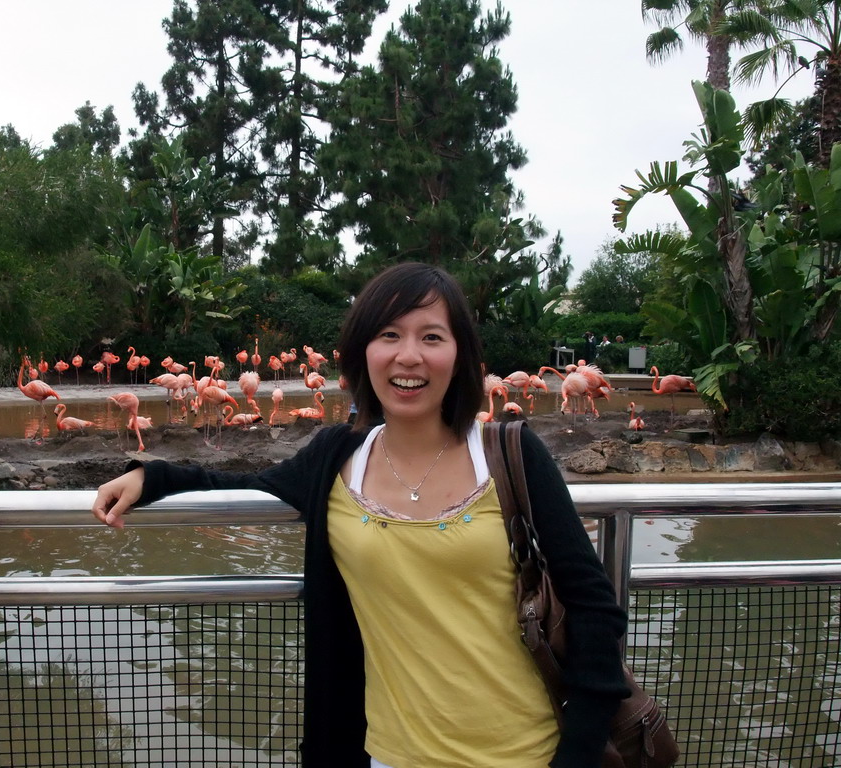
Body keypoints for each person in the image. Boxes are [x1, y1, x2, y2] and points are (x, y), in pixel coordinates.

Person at [92, 262, 628, 768]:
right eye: (389, 335)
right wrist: (152, 476)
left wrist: (577, 756)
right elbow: (245, 483)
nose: (409, 356)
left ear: (460, 354)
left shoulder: (509, 455)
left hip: (525, 753)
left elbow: (594, 607)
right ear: (361, 352)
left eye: (431, 336)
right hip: (387, 754)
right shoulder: (336, 457)